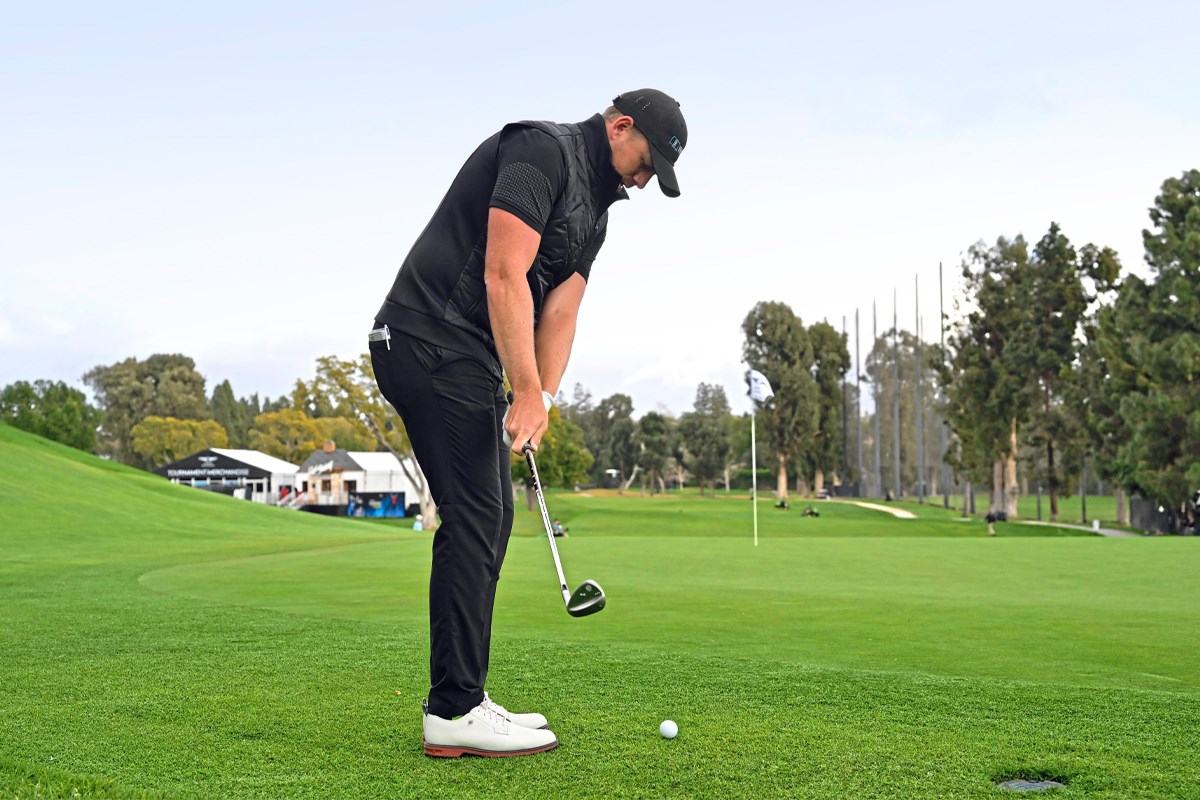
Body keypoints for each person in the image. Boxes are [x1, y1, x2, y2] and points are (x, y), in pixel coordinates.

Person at [368, 90, 687, 758]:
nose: (643, 180)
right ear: (620, 126)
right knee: (476, 515)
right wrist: (524, 389)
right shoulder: (539, 150)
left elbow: (561, 312)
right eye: (646, 162)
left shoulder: (597, 214)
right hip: (428, 337)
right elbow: (503, 272)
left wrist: (540, 396)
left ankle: (464, 695)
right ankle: (453, 711)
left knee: (493, 517)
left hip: (470, 357)